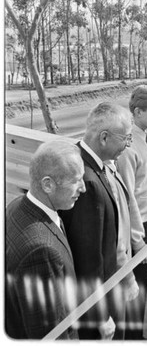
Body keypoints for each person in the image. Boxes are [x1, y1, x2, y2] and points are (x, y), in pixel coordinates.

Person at [59, 101, 138, 340]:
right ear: (103, 138)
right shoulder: (87, 182)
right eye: (125, 138)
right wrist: (100, 316)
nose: (128, 145)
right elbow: (87, 258)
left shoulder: (89, 161)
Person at [5, 139, 86, 339]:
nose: (83, 188)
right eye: (76, 180)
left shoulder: (16, 206)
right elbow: (50, 334)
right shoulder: (41, 252)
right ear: (48, 184)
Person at [116, 84, 147, 340]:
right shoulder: (127, 147)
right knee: (134, 288)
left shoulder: (144, 134)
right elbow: (127, 198)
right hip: (136, 228)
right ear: (137, 111)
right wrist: (138, 239)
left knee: (142, 286)